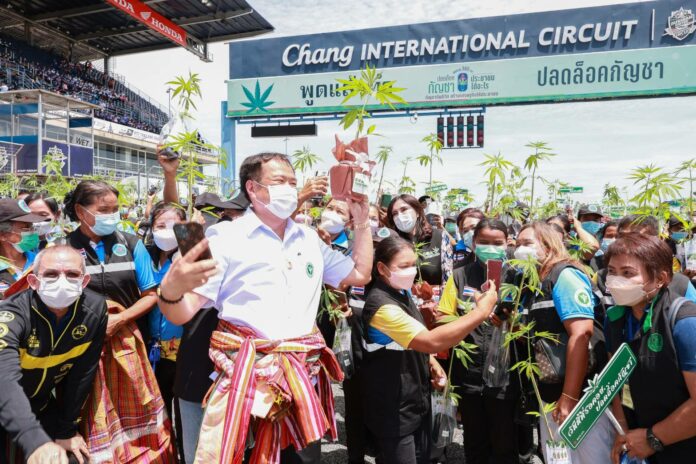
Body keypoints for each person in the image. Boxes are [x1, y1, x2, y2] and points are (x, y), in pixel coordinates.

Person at [158, 152, 373, 463]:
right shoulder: (225, 238)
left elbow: (358, 274)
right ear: (253, 188)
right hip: (246, 383)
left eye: (293, 182)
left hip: (301, 379)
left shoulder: (310, 239)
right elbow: (183, 311)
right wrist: (170, 290)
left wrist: (363, 221)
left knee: (300, 457)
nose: (289, 188)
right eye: (279, 181)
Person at [359, 235, 498, 464]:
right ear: (382, 268)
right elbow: (431, 341)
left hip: (414, 396)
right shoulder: (381, 305)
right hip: (392, 405)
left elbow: (412, 337)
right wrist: (480, 312)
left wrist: (431, 363)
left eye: (414, 264)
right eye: (403, 266)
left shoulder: (401, 292)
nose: (411, 271)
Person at [64, 180, 175, 462]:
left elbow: (151, 294)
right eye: (103, 209)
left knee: (136, 406)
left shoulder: (130, 243)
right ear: (80, 211)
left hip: (126, 344)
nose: (111, 216)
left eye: (115, 209)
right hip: (82, 347)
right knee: (91, 412)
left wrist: (119, 320)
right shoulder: (64, 247)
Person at [513, 221, 614, 463]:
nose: (519, 250)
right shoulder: (530, 284)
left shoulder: (564, 275)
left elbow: (581, 334)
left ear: (548, 246)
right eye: (516, 244)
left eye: (527, 243)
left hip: (581, 396)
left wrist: (569, 397)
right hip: (550, 393)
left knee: (591, 457)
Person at [0, 246, 107, 464]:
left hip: (41, 406)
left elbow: (83, 374)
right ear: (33, 282)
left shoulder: (94, 310)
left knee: (76, 458)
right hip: (4, 404)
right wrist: (35, 440)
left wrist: (66, 430)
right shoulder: (11, 315)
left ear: (84, 281)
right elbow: (4, 379)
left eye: (72, 274)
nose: (62, 281)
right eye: (51, 274)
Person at [173, 190, 250, 464]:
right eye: (209, 212)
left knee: (238, 445)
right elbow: (190, 275)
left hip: (238, 366)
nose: (221, 220)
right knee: (196, 448)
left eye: (228, 214)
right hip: (196, 365)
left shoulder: (252, 252)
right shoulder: (197, 245)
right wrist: (191, 233)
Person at [605, 234, 696, 463]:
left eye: (627, 273)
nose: (616, 281)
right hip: (638, 445)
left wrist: (653, 439)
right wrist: (624, 432)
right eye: (611, 271)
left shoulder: (684, 321)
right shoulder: (614, 320)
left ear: (660, 278)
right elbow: (616, 382)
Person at [437, 219, 519, 464]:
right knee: (474, 439)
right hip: (468, 371)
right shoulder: (460, 275)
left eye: (497, 243)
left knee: (505, 440)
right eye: (484, 242)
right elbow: (442, 316)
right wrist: (473, 314)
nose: (490, 247)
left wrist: (510, 320)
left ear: (507, 244)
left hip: (505, 373)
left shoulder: (518, 277)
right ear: (473, 243)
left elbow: (529, 324)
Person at [145, 202, 186, 419]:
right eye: (161, 225)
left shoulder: (190, 256)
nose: (168, 231)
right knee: (158, 410)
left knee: (181, 410)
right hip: (151, 347)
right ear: (151, 227)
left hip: (182, 347)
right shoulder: (145, 256)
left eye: (175, 225)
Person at [387, 194, 454, 322]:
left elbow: (448, 277)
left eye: (404, 209)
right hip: (404, 311)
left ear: (418, 211)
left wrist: (443, 310)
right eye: (395, 213)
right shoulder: (393, 243)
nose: (400, 216)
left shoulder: (439, 237)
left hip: (436, 310)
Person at [0, 199, 44, 295]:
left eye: (32, 226)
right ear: (2, 235)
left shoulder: (41, 261)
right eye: (25, 227)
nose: (32, 231)